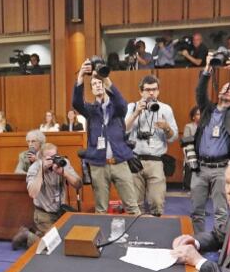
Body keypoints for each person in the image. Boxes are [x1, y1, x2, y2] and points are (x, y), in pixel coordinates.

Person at [189, 56, 230, 232]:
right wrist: (207, 68)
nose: (226, 90)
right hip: (200, 168)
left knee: (220, 211)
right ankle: (199, 239)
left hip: (222, 169)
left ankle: (219, 241)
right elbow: (200, 92)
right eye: (224, 88)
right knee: (197, 211)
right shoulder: (207, 110)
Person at [72, 59, 140, 214]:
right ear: (91, 90)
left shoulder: (117, 108)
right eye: (94, 84)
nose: (97, 85)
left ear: (105, 86)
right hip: (98, 164)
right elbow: (77, 103)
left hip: (120, 162)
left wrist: (105, 77)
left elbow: (121, 103)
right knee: (101, 209)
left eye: (100, 83)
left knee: (132, 206)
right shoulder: (90, 110)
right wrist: (81, 75)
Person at [125, 75, 179, 216]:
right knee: (135, 205)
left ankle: (156, 228)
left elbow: (173, 137)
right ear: (140, 91)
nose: (151, 93)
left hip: (156, 161)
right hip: (135, 160)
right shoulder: (131, 107)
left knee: (157, 202)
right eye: (147, 90)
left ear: (158, 91)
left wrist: (166, 128)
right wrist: (136, 113)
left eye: (154, 89)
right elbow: (123, 130)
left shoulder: (165, 109)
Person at [26, 143, 81, 234]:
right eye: (49, 158)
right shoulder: (35, 168)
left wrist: (64, 173)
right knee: (53, 240)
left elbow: (78, 184)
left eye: (54, 156)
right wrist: (42, 170)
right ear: (41, 158)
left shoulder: (63, 163)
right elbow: (32, 193)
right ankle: (28, 236)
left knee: (70, 236)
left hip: (61, 211)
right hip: (44, 214)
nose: (52, 160)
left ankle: (36, 235)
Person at [182, 106, 201, 191]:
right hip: (191, 152)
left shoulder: (207, 126)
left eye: (201, 114)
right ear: (193, 117)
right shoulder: (189, 126)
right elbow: (186, 142)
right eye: (198, 114)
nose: (200, 116)